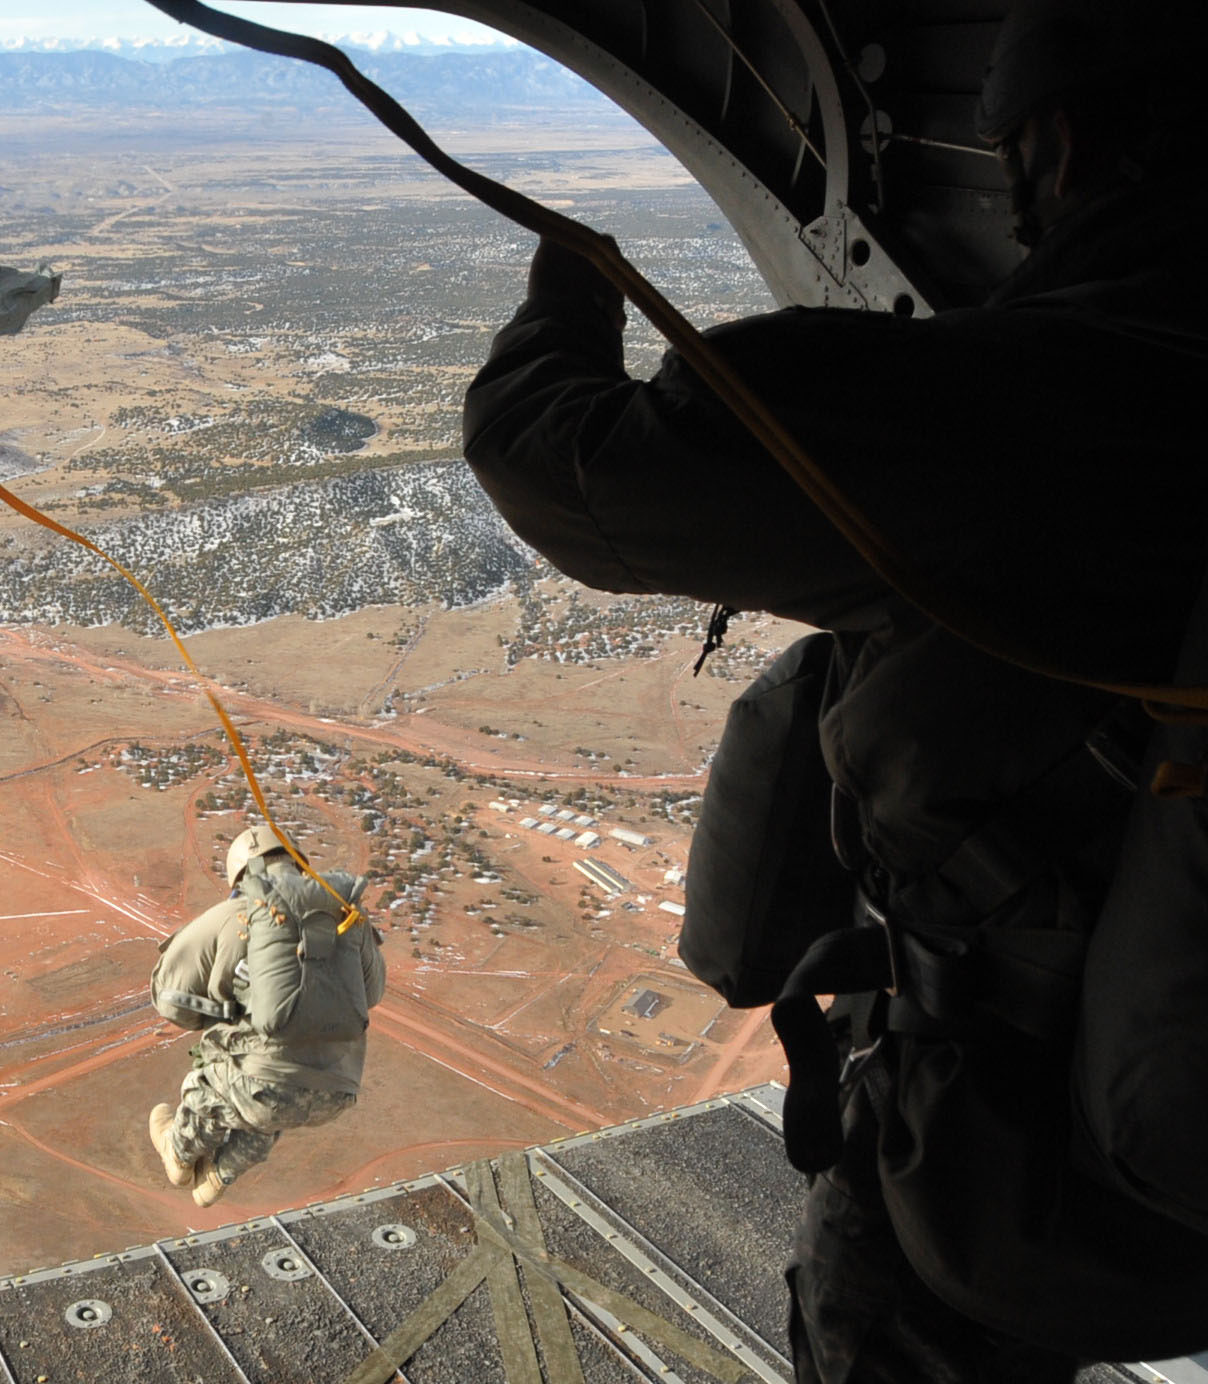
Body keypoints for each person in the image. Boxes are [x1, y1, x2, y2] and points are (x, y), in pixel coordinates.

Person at [459, 1, 1208, 1378]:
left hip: (1007, 1180)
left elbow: (569, 473)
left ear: (1056, 143)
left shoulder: (1026, 414)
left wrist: (571, 289)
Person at [146, 824, 384, 1208]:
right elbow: (372, 993)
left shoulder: (235, 914)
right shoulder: (343, 912)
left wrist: (218, 1015)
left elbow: (170, 999)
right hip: (338, 1091)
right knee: (272, 1091)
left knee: (215, 1082)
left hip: (260, 1090)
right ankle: (219, 1175)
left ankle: (179, 1154)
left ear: (239, 874)